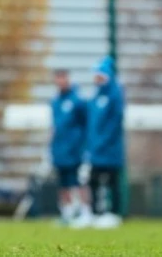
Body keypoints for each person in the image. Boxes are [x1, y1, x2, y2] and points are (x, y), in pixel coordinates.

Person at [86, 58, 125, 228]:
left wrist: (103, 142)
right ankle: (95, 213)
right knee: (93, 180)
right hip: (95, 150)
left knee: (112, 181)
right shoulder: (95, 96)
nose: (96, 78)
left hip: (110, 150)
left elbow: (114, 123)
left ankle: (114, 214)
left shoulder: (115, 94)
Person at [48, 69, 89, 226]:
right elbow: (54, 127)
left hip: (75, 150)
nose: (60, 81)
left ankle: (85, 212)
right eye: (57, 78)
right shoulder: (55, 102)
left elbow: (85, 125)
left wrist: (85, 147)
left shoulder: (78, 101)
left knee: (78, 182)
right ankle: (67, 212)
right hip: (59, 150)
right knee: (63, 183)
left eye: (63, 78)